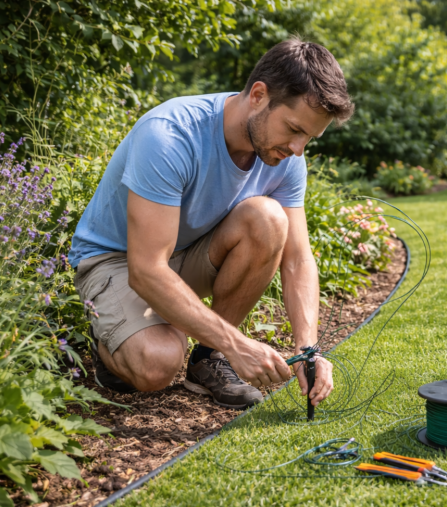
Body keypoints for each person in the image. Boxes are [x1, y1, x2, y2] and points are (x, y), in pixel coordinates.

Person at [68, 38, 354, 410]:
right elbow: (146, 269)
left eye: (308, 139)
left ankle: (208, 359)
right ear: (258, 95)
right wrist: (239, 344)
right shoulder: (170, 135)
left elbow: (298, 259)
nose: (298, 149)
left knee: (269, 220)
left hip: (186, 253)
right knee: (157, 364)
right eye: (293, 129)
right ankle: (109, 342)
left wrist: (309, 348)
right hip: (118, 262)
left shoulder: (286, 156)